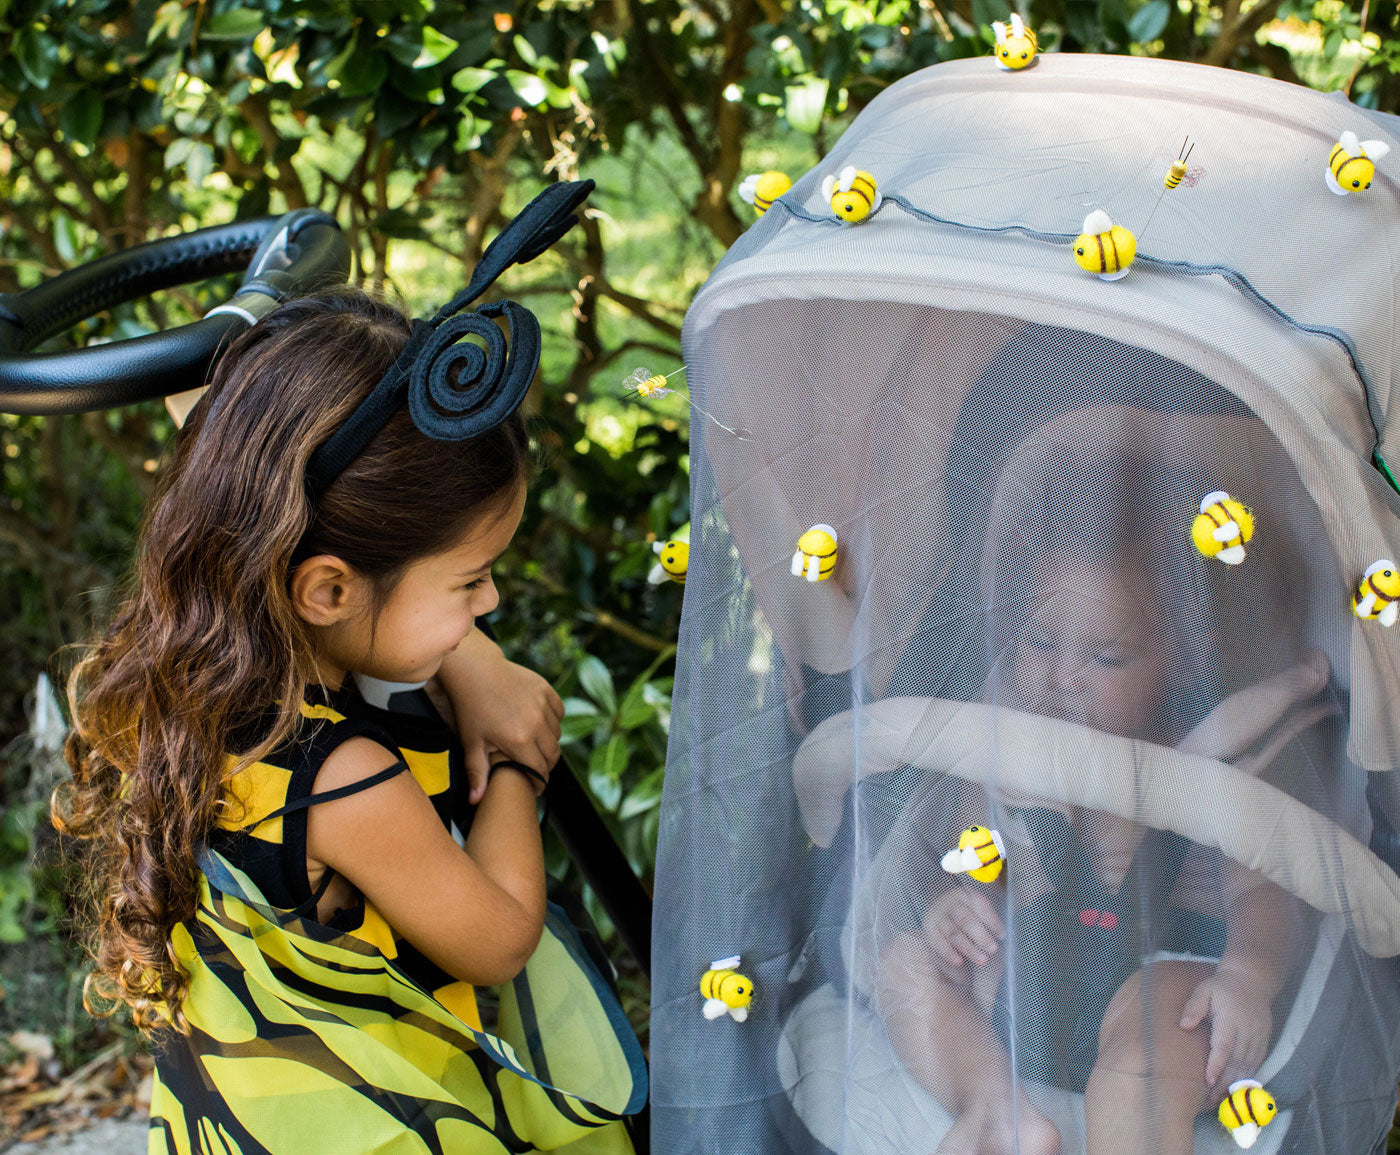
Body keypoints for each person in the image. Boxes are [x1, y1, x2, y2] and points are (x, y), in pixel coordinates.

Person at [52, 278, 645, 1153]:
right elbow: (500, 938)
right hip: (393, 1124)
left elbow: (228, 449)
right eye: (471, 580)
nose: (490, 605)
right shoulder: (341, 781)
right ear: (327, 588)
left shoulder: (200, 676)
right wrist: (518, 759)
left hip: (253, 1110)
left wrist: (472, 660)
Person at [871, 434, 1326, 1155]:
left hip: (1154, 975)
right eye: (1038, 642)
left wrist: (1247, 974)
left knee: (1146, 1056)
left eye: (1106, 656)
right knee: (902, 963)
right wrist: (950, 910)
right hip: (1023, 981)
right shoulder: (1003, 753)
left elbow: (1262, 897)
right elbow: (965, 861)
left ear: (1182, 652)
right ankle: (997, 1111)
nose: (1063, 678)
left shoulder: (1208, 761)